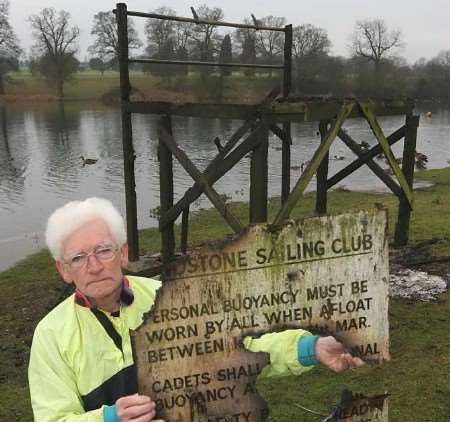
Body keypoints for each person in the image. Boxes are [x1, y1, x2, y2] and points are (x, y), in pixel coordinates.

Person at [28, 197, 364, 422]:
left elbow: (235, 354)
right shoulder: (51, 335)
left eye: (103, 250)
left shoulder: (166, 297)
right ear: (63, 270)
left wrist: (310, 348)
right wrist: (109, 418)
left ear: (123, 252)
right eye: (78, 258)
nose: (94, 265)